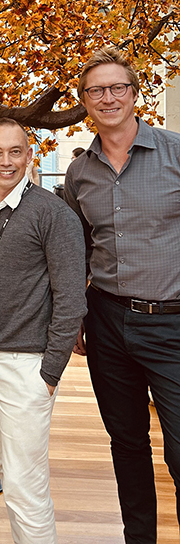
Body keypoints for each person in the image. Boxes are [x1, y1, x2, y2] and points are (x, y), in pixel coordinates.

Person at [65, 46, 180, 543]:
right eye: (96, 91)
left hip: (173, 323)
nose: (107, 98)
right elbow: (78, 249)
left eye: (117, 88)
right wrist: (74, 317)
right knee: (127, 443)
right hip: (107, 323)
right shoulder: (79, 172)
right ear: (84, 101)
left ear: (135, 94)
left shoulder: (176, 153)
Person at [0, 118, 86, 543]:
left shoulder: (53, 214)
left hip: (26, 367)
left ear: (29, 155)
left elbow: (71, 300)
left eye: (15, 151)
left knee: (25, 486)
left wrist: (49, 374)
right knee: (4, 469)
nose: (6, 161)